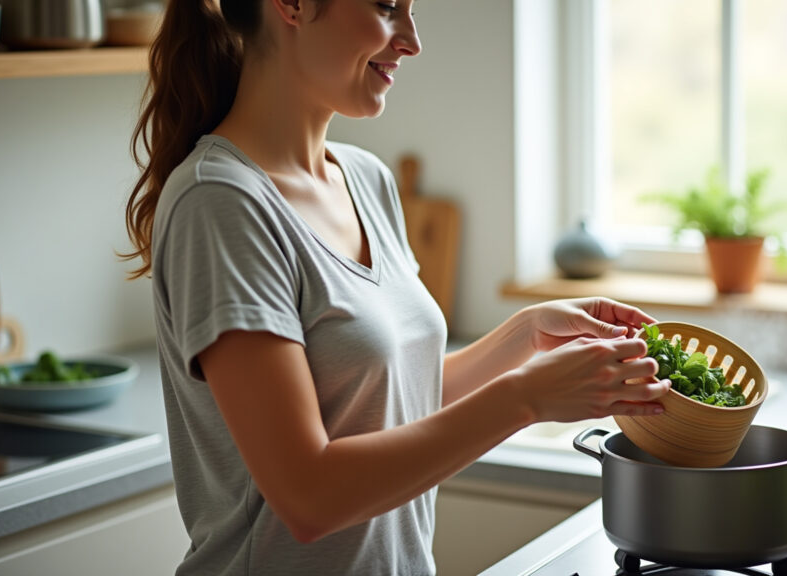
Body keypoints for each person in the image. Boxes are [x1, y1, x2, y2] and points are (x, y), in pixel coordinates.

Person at [121, 1, 671, 574]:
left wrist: (524, 336)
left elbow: (387, 401)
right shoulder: (220, 203)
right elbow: (308, 496)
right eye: (387, 7)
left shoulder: (366, 178)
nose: (411, 41)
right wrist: (525, 399)